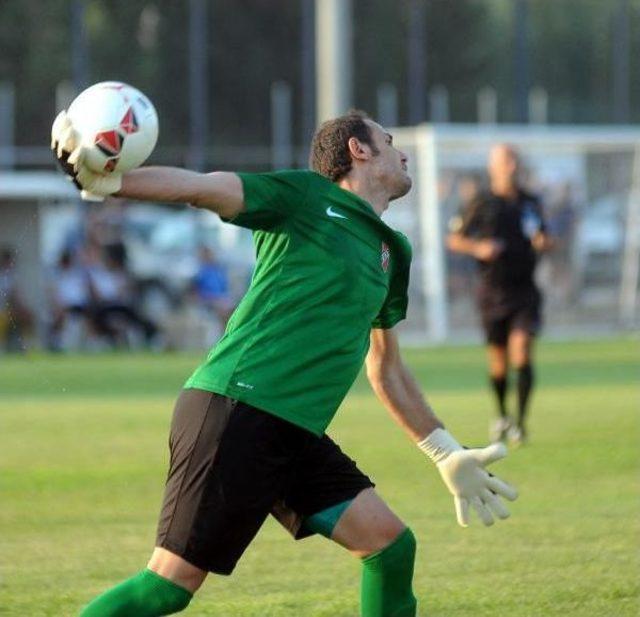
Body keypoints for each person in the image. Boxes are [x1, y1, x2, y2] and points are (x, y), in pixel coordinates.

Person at [52, 109, 518, 617]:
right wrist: (109, 181)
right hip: (238, 406)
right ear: (358, 150)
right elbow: (201, 188)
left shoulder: (392, 251)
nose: (403, 152)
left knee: (389, 547)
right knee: (168, 586)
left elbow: (386, 369)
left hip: (294, 429)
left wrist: (445, 452)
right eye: (389, 141)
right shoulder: (304, 197)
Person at [447, 144, 552, 446]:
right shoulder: (480, 202)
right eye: (505, 160)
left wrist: (545, 242)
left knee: (521, 352)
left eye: (514, 159)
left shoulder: (531, 202)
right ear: (494, 167)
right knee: (498, 364)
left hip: (525, 291)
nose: (512, 165)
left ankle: (520, 422)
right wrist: (478, 248)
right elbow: (454, 239)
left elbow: (543, 235)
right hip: (491, 293)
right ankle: (502, 415)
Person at [0, 246, 34, 352]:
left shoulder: (12, 276)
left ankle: (26, 346)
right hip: (2, 310)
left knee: (27, 316)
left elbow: (17, 296)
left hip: (10, 310)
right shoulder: (2, 276)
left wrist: (22, 307)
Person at [191, 246, 235, 328]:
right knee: (223, 309)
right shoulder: (200, 272)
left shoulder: (218, 270)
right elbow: (196, 293)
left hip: (222, 299)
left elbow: (225, 288)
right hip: (209, 300)